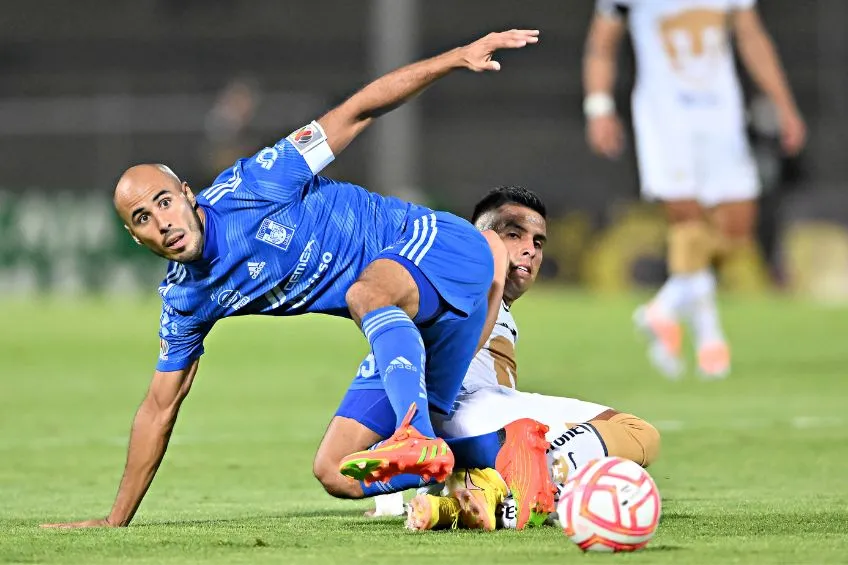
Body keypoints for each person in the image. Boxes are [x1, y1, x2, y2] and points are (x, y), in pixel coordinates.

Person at [41, 29, 552, 529]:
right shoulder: (186, 300)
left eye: (164, 202)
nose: (163, 222)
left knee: (366, 292)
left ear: (188, 195)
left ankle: (413, 434)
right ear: (135, 238)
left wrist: (455, 58)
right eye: (142, 219)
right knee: (335, 472)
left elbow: (358, 111)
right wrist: (115, 521)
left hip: (438, 246)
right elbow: (159, 407)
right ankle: (505, 460)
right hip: (413, 329)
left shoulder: (256, 182)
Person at [324, 186, 660, 531]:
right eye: (514, 235)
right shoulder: (462, 282)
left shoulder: (443, 297)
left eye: (539, 242)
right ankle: (539, 482)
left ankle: (468, 501)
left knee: (574, 449)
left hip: (446, 433)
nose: (530, 249)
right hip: (472, 408)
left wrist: (387, 499)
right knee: (638, 433)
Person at [583, 1, 806, 378]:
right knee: (687, 225)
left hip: (722, 113)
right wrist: (599, 107)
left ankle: (664, 310)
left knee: (736, 233)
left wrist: (784, 105)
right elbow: (601, 45)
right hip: (665, 118)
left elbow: (751, 37)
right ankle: (710, 341)